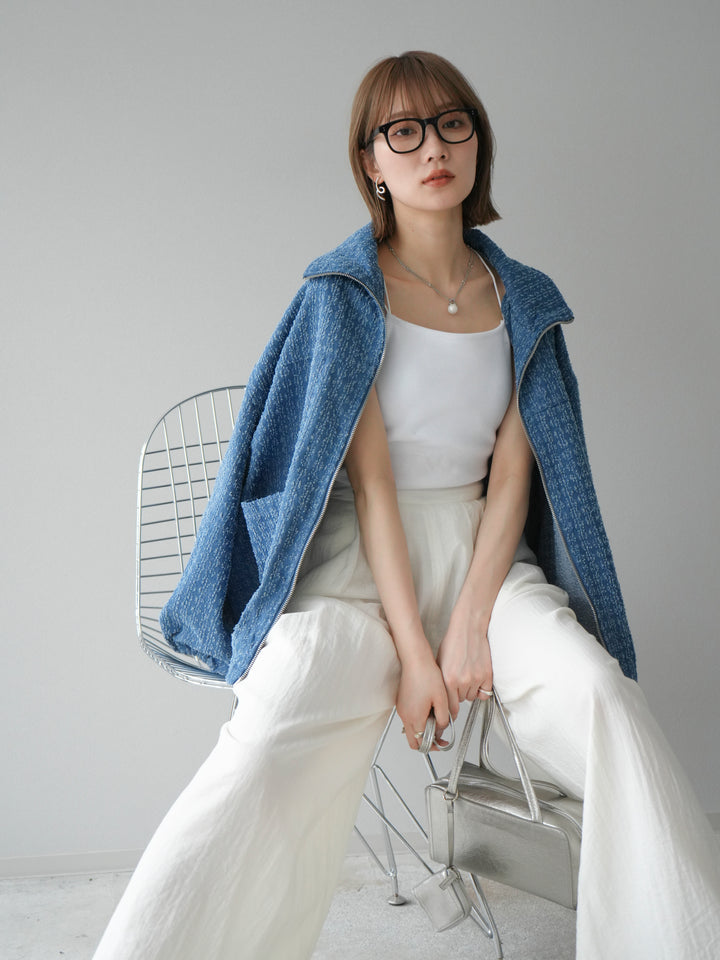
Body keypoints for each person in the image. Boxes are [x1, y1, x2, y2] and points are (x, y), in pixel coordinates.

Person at [94, 51, 720, 960]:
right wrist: (416, 655)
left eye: (452, 124)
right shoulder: (345, 299)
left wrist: (468, 627)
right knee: (273, 729)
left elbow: (515, 478)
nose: (434, 148)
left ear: (477, 142)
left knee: (599, 698)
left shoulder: (525, 301)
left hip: (485, 560)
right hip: (358, 562)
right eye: (405, 131)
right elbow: (375, 485)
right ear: (372, 162)